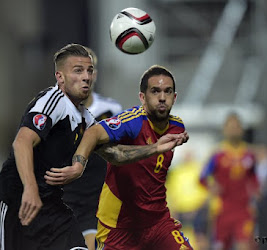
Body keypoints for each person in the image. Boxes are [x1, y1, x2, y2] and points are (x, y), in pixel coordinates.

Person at [0, 44, 188, 250]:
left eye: (89, 71)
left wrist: (154, 148)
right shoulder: (53, 101)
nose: (86, 77)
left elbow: (115, 154)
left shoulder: (85, 118)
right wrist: (30, 188)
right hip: (18, 204)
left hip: (54, 208)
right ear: (60, 77)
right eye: (78, 71)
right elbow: (22, 141)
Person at [46, 65, 193, 249]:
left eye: (167, 91)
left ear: (174, 97)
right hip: (119, 228)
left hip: (158, 223)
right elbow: (93, 133)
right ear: (143, 98)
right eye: (155, 91)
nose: (162, 98)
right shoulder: (132, 121)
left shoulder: (177, 127)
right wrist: (78, 165)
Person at [63, 47, 122, 250]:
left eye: (89, 70)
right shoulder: (50, 111)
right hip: (62, 197)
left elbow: (121, 152)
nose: (84, 76)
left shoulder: (111, 110)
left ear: (94, 74)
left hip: (97, 197)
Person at [200, 112, 259, 250]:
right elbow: (202, 177)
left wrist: (256, 190)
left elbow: (254, 177)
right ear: (224, 130)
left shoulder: (249, 153)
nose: (234, 130)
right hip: (222, 210)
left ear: (241, 130)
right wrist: (212, 186)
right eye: (230, 127)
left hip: (243, 209)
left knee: (245, 245)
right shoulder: (217, 154)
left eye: (236, 127)